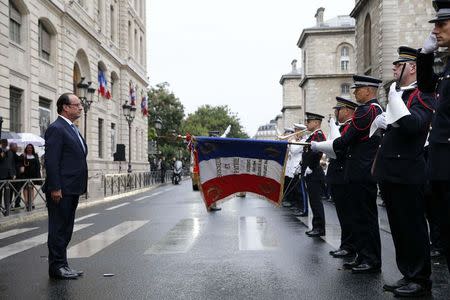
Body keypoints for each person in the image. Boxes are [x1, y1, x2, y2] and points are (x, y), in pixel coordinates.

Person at [373, 46, 435, 297]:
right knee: (399, 228)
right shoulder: (402, 94)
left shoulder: (422, 95)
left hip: (408, 172)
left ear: (411, 68)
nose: (393, 69)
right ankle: (408, 273)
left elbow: (415, 127)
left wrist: (395, 104)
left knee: (413, 227)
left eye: (398, 66)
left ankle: (420, 279)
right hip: (391, 171)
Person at [313, 75, 383, 274]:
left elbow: (346, 140)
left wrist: (321, 146)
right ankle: (362, 256)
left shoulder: (368, 110)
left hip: (361, 171)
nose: (354, 92)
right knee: (358, 217)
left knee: (365, 218)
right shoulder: (372, 109)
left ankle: (370, 259)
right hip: (359, 170)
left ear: (368, 90)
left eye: (358, 89)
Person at [417, 0, 450, 275]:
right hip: (441, 166)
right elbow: (428, 86)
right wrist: (425, 55)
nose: (435, 31)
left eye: (442, 24)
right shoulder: (448, 65)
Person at [44, 93, 87, 280]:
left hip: (72, 188)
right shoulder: (57, 128)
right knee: (58, 229)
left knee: (66, 229)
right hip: (61, 189)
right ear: (65, 107)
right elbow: (52, 161)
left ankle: (63, 264)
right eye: (77, 104)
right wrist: (55, 187)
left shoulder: (71, 128)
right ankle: (56, 267)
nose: (80, 107)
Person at [326, 97, 358, 259]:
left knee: (347, 214)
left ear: (346, 110)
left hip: (343, 174)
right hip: (337, 174)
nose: (335, 113)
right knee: (342, 213)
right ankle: (346, 244)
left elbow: (341, 148)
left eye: (338, 110)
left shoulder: (351, 126)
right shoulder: (344, 127)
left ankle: (349, 246)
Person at [301, 112, 326, 237]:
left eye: (309, 121)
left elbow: (318, 152)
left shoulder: (318, 135)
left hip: (314, 171)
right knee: (313, 201)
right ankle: (316, 226)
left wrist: (310, 166)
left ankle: (319, 228)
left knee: (316, 202)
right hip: (310, 171)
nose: (307, 123)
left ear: (316, 123)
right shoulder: (312, 135)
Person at [20, 143, 42, 210]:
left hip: (33, 174)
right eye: (28, 147)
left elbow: (38, 165)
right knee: (25, 188)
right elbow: (21, 164)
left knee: (32, 188)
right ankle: (26, 202)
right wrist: (23, 157)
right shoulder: (23, 155)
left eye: (31, 147)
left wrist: (38, 175)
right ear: (26, 149)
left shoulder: (35, 155)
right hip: (25, 174)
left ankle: (32, 202)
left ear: (32, 149)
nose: (29, 149)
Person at [0, 139, 16, 211]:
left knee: (9, 192)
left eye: (6, 142)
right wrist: (1, 156)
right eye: (3, 142)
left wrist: (14, 173)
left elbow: (12, 164)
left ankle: (8, 205)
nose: (5, 143)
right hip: (1, 175)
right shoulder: (0, 151)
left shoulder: (10, 152)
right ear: (1, 143)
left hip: (10, 175)